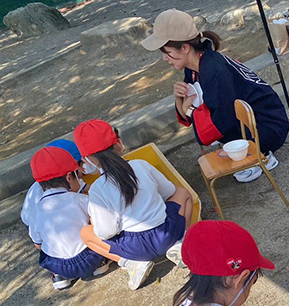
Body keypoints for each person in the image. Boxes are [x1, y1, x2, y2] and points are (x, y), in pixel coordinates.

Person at [141, 9, 289, 183]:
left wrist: (188, 111)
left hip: (268, 128)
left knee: (219, 129)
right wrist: (178, 99)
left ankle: (261, 155)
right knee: (216, 127)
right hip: (259, 123)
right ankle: (252, 153)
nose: (165, 59)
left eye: (166, 52)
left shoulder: (213, 69)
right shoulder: (197, 65)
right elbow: (194, 112)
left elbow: (221, 120)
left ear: (185, 47)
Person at [73, 119, 193, 290]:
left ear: (87, 161)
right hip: (166, 233)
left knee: (86, 233)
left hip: (136, 249)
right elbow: (169, 191)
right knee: (182, 193)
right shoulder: (140, 165)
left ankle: (131, 264)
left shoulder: (97, 189)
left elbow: (106, 231)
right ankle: (180, 243)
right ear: (119, 144)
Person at [28, 146, 109, 290]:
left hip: (59, 266)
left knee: (45, 249)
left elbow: (38, 244)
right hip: (88, 258)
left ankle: (59, 277)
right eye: (77, 175)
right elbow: (100, 223)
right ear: (69, 177)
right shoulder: (80, 199)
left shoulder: (35, 211)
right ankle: (101, 261)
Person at [21, 139, 88, 231]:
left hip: (35, 225)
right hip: (42, 224)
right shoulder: (70, 187)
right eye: (80, 164)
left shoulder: (48, 181)